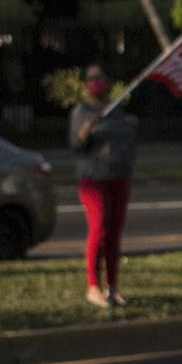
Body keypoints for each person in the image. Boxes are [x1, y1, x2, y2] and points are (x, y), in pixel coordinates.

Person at [68, 63, 137, 307]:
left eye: (100, 78)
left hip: (118, 176)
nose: (95, 82)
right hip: (94, 179)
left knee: (114, 234)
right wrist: (88, 126)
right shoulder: (82, 111)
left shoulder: (117, 111)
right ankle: (92, 286)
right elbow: (76, 144)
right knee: (99, 229)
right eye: (91, 78)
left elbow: (128, 141)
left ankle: (113, 287)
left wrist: (130, 125)